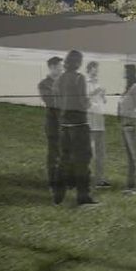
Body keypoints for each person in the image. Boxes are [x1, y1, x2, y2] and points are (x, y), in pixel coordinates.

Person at [53, 50, 97, 207]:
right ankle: (83, 197)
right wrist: (90, 101)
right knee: (83, 161)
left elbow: (57, 98)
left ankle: (58, 195)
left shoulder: (60, 79)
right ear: (78, 62)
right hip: (79, 125)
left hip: (64, 125)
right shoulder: (80, 78)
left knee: (64, 161)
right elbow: (82, 102)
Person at [37, 56, 64, 200]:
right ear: (52, 67)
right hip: (54, 126)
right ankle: (53, 186)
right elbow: (52, 102)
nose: (62, 69)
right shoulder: (44, 84)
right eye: (60, 66)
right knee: (55, 156)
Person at [119, 64, 136, 195]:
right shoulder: (127, 88)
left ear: (129, 72)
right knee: (130, 157)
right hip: (125, 125)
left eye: (125, 70)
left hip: (132, 125)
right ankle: (130, 186)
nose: (123, 72)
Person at [87, 62, 109, 188]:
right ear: (89, 70)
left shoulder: (98, 83)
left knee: (101, 152)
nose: (96, 72)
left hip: (100, 120)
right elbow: (84, 99)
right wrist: (96, 91)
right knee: (91, 151)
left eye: (97, 69)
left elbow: (103, 101)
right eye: (94, 69)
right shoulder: (85, 83)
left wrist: (103, 95)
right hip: (90, 120)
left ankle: (100, 179)